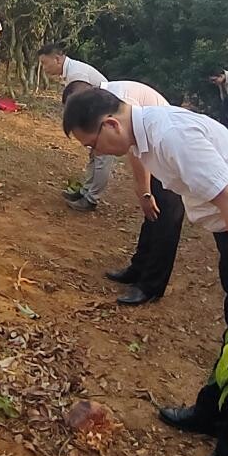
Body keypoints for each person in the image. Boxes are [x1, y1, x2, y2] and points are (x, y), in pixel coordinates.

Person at [62, 87, 228, 456]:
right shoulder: (144, 135)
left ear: (111, 124)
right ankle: (212, 412)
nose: (95, 153)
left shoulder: (171, 136)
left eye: (93, 145)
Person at [64, 78, 184, 306]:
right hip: (155, 153)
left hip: (169, 157)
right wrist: (144, 192)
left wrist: (145, 191)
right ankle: (138, 269)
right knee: (152, 218)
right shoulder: (110, 99)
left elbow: (136, 150)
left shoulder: (120, 99)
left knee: (166, 221)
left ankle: (151, 286)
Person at [37, 43, 110, 211]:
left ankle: (91, 199)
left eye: (44, 63)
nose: (44, 68)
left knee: (102, 157)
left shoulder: (77, 75)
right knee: (95, 156)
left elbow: (82, 106)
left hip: (107, 116)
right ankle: (86, 192)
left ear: (57, 59)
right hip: (100, 115)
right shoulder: (72, 71)